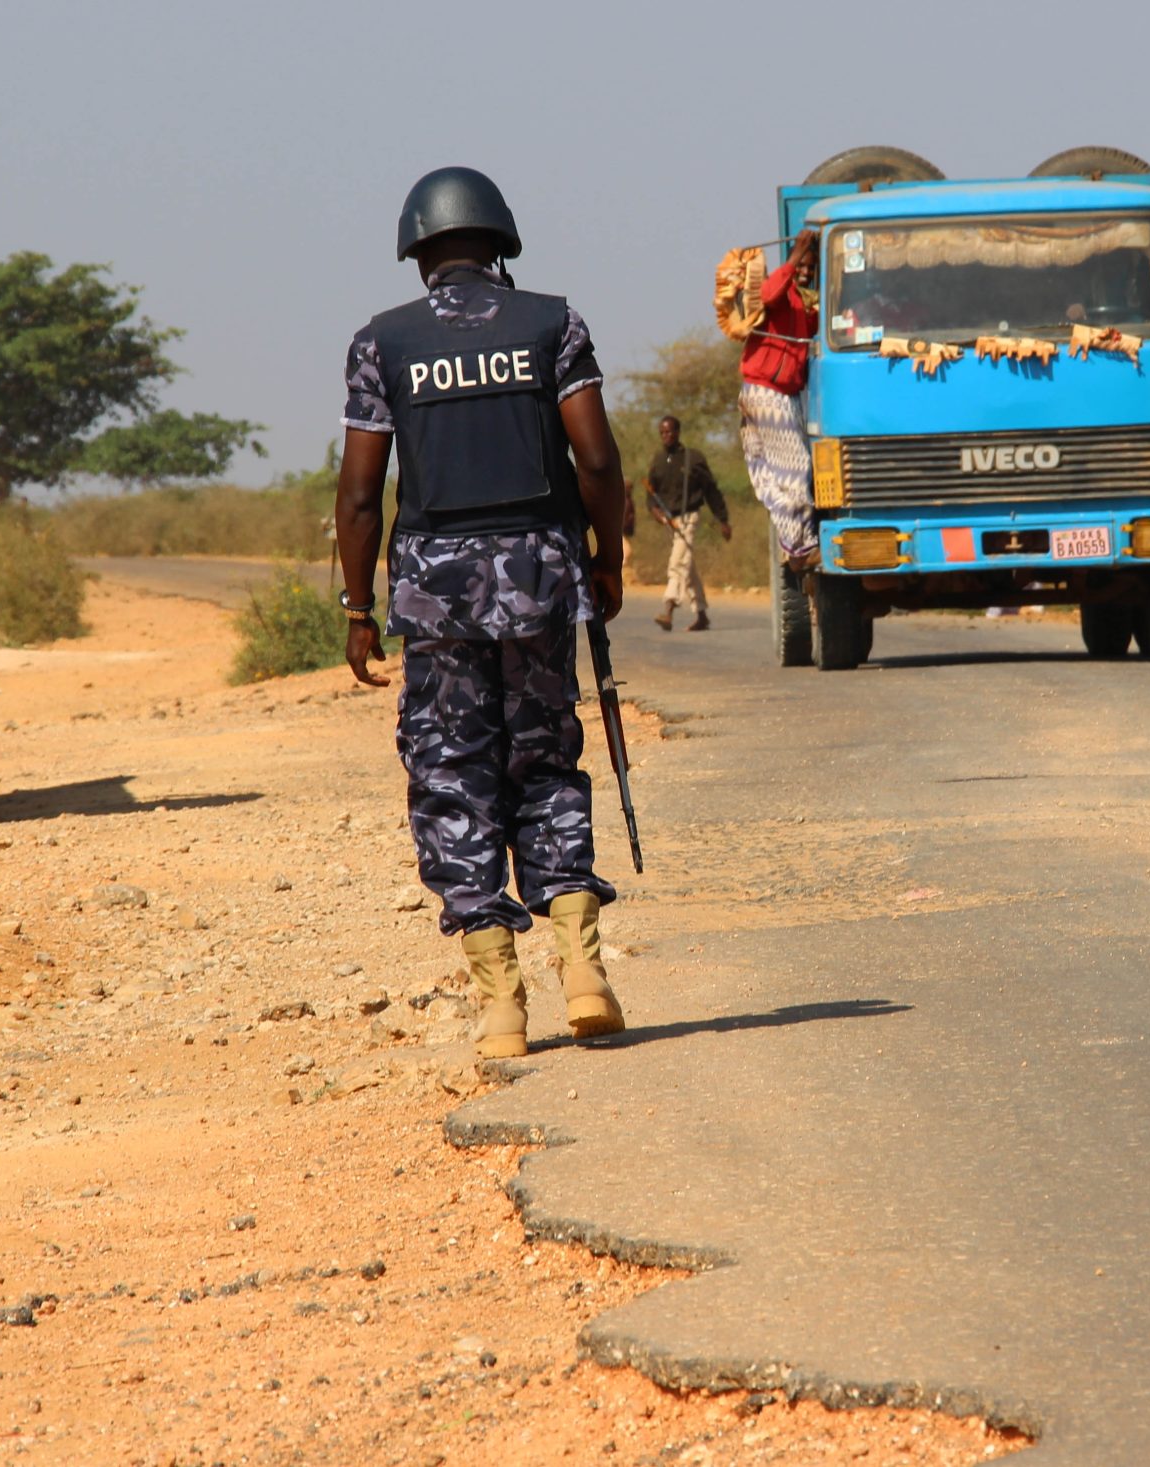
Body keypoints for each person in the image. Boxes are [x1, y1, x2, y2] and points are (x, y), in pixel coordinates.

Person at [335, 165, 629, 1061]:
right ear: (500, 241)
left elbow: (357, 493)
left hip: (435, 596)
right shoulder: (553, 322)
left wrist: (357, 607)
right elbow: (599, 459)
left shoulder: (382, 342)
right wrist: (604, 561)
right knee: (546, 759)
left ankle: (503, 1009)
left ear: (417, 249)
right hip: (540, 578)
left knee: (454, 776)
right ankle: (584, 975)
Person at [738, 230, 819, 567]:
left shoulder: (803, 306)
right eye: (801, 266)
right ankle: (802, 544)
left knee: (768, 476)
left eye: (809, 268)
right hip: (766, 392)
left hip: (772, 394)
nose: (803, 272)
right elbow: (768, 294)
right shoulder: (780, 294)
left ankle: (792, 543)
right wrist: (795, 256)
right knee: (796, 469)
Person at [643, 414, 729, 631]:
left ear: (678, 432)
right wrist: (656, 513)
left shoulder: (693, 458)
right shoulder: (658, 460)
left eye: (670, 431)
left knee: (678, 563)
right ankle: (702, 614)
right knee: (688, 567)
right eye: (662, 432)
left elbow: (711, 491)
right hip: (669, 523)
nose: (666, 436)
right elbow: (650, 495)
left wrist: (723, 519)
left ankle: (668, 609)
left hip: (689, 519)